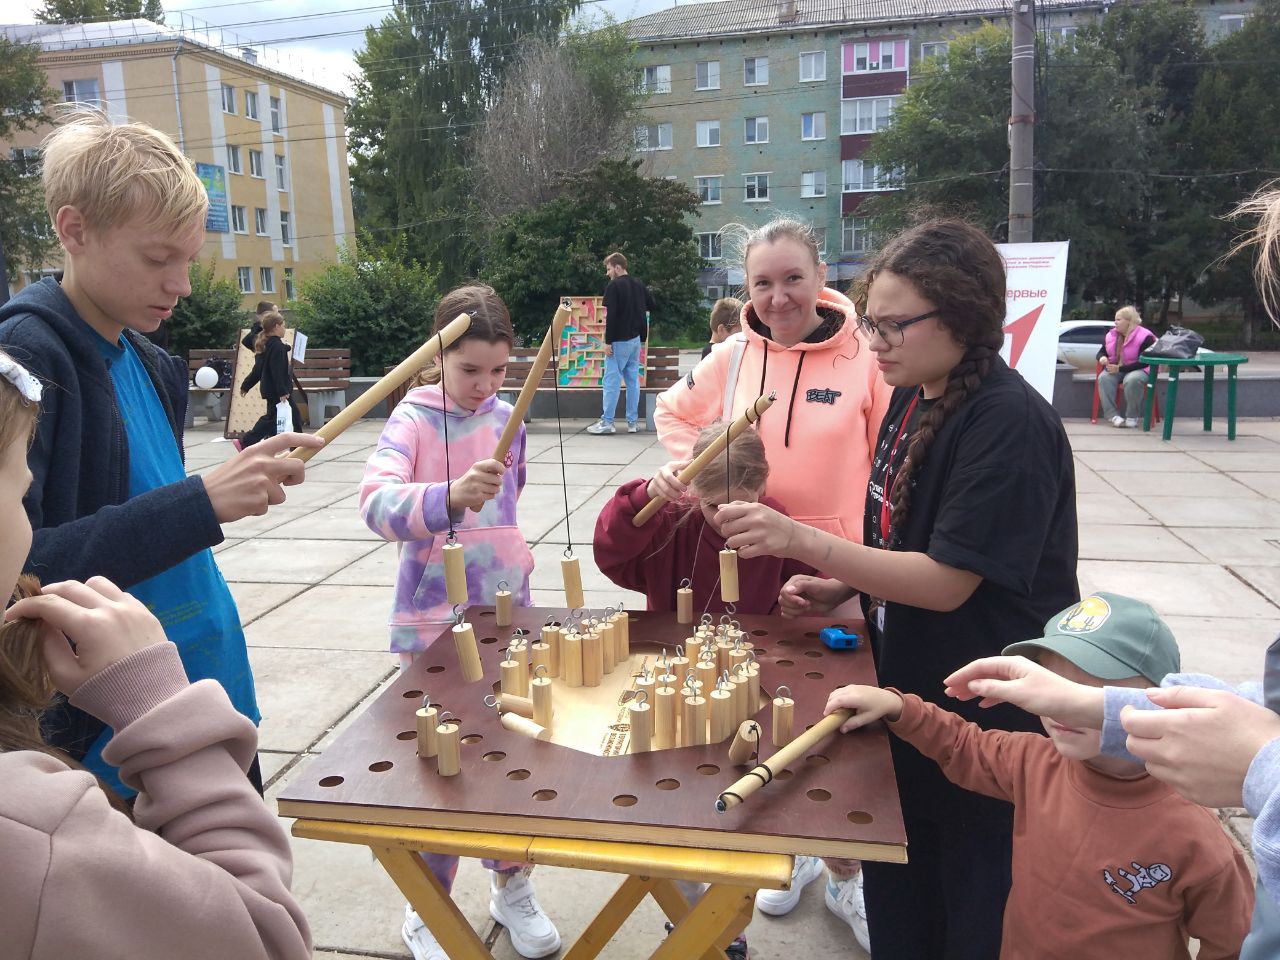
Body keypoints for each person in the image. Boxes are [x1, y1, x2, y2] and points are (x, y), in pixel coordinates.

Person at [718, 219, 1080, 959]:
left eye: (892, 325)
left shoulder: (1006, 424)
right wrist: (845, 588)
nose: (873, 341)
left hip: (984, 717)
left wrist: (804, 542)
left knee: (972, 906)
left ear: (960, 318)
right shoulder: (913, 395)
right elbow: (902, 544)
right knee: (903, 900)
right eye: (871, 322)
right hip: (912, 698)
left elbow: (948, 582)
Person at [0, 111, 321, 797]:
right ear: (73, 230)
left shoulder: (146, 358)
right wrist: (200, 503)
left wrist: (214, 497)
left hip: (206, 688)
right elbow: (19, 573)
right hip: (109, 744)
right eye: (157, 259)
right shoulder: (27, 363)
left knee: (243, 898)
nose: (182, 285)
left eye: (187, 258)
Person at [0, 348, 312, 959]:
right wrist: (160, 708)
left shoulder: (150, 361)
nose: (183, 285)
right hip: (127, 727)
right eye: (17, 495)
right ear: (76, 242)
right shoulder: (34, 829)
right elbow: (263, 939)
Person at [654, 217, 891, 939]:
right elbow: (673, 409)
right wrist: (687, 473)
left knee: (836, 734)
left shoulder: (865, 358)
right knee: (759, 718)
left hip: (831, 573)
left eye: (793, 278)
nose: (779, 296)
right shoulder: (734, 353)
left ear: (822, 277)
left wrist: (862, 573)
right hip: (747, 567)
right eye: (763, 282)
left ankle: (845, 874)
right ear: (745, 287)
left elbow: (893, 468)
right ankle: (791, 854)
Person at [826, 593, 1253, 959]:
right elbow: (962, 744)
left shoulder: (1195, 834)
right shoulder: (1036, 762)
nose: (1059, 704)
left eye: (1089, 686)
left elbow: (1233, 940)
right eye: (1050, 680)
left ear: (1156, 696)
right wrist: (900, 707)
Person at [358, 285, 556, 960]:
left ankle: (511, 882)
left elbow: (510, 501)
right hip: (431, 624)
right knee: (440, 770)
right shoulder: (411, 419)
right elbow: (375, 503)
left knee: (507, 759)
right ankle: (428, 906)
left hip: (507, 616)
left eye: (499, 370)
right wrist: (444, 498)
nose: (486, 385)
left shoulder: (511, 417)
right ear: (438, 355)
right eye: (471, 369)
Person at [594, 424, 814, 616]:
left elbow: (814, 579)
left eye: (740, 505)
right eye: (713, 506)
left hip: (752, 652)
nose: (724, 519)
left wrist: (794, 598)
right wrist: (645, 495)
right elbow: (612, 556)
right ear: (696, 489)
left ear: (761, 486)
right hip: (675, 651)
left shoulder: (774, 523)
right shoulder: (672, 518)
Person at [587, 251, 653, 435]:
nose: (607, 273)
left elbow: (612, 316)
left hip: (618, 341)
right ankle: (632, 423)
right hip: (635, 341)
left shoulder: (614, 286)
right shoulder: (638, 284)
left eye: (609, 269)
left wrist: (608, 341)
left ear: (617, 267)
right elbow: (652, 304)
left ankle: (607, 422)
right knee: (633, 381)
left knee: (611, 381)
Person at [238, 311, 301, 448]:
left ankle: (288, 447)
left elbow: (258, 369)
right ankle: (245, 442)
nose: (284, 328)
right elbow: (277, 371)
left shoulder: (268, 344)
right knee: (284, 418)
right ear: (277, 326)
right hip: (278, 391)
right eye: (283, 325)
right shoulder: (276, 346)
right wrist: (282, 391)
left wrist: (246, 385)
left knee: (275, 419)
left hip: (271, 390)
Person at [1097, 305, 1157, 428]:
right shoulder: (1112, 335)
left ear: (1129, 321)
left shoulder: (1146, 337)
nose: (1115, 322)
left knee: (1132, 379)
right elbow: (1102, 351)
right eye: (1115, 319)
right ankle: (1113, 416)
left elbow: (1145, 361)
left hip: (1142, 369)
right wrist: (1102, 357)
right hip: (1119, 368)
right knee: (1104, 378)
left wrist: (1120, 369)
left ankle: (1132, 416)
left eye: (1119, 319)